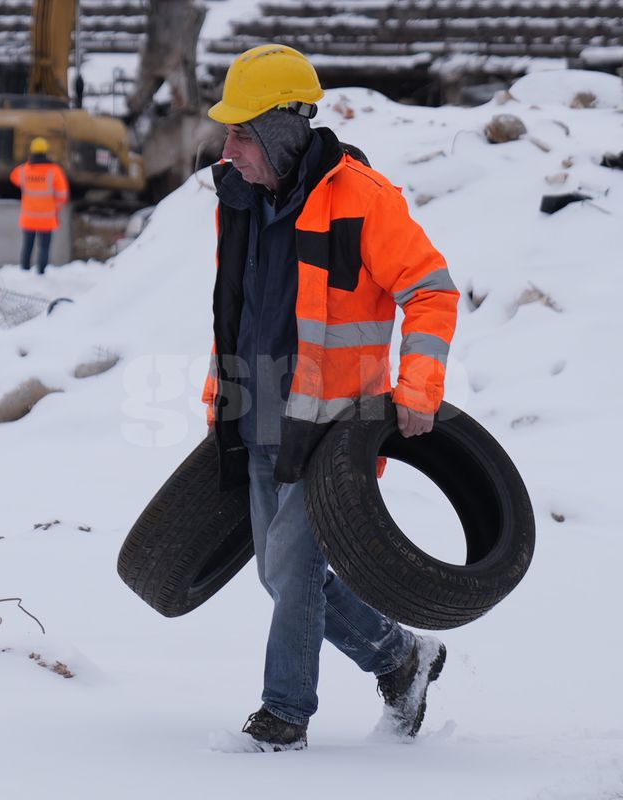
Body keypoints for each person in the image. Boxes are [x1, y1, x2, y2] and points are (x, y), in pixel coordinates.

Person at [200, 44, 460, 752]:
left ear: (285, 130)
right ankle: (402, 657)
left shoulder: (366, 202)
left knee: (292, 576)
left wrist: (418, 389)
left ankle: (283, 717)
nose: (228, 147)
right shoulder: (239, 196)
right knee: (280, 576)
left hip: (330, 431)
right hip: (254, 416)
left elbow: (431, 292)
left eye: (241, 132)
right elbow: (240, 309)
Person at [10, 137, 70, 274]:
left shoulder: (24, 170)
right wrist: (57, 208)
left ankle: (24, 270)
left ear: (31, 151)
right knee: (44, 247)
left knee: (27, 246)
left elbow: (13, 176)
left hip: (28, 217)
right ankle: (41, 272)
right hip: (47, 218)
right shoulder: (54, 171)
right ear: (46, 151)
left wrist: (28, 164)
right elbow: (62, 195)